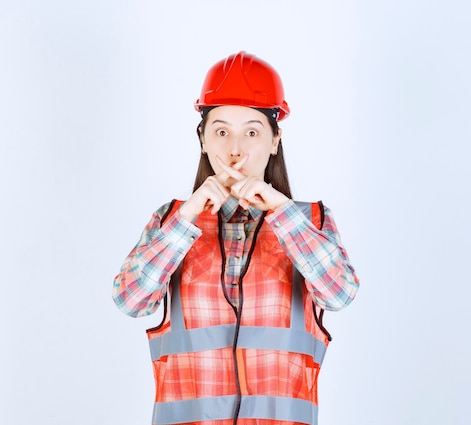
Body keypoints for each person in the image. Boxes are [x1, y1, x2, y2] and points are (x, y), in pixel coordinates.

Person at [112, 51, 359, 425]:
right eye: (222, 130)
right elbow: (131, 300)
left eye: (253, 131)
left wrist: (281, 210)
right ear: (203, 139)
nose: (236, 149)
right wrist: (187, 216)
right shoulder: (171, 221)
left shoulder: (310, 221)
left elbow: (339, 293)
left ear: (275, 140)